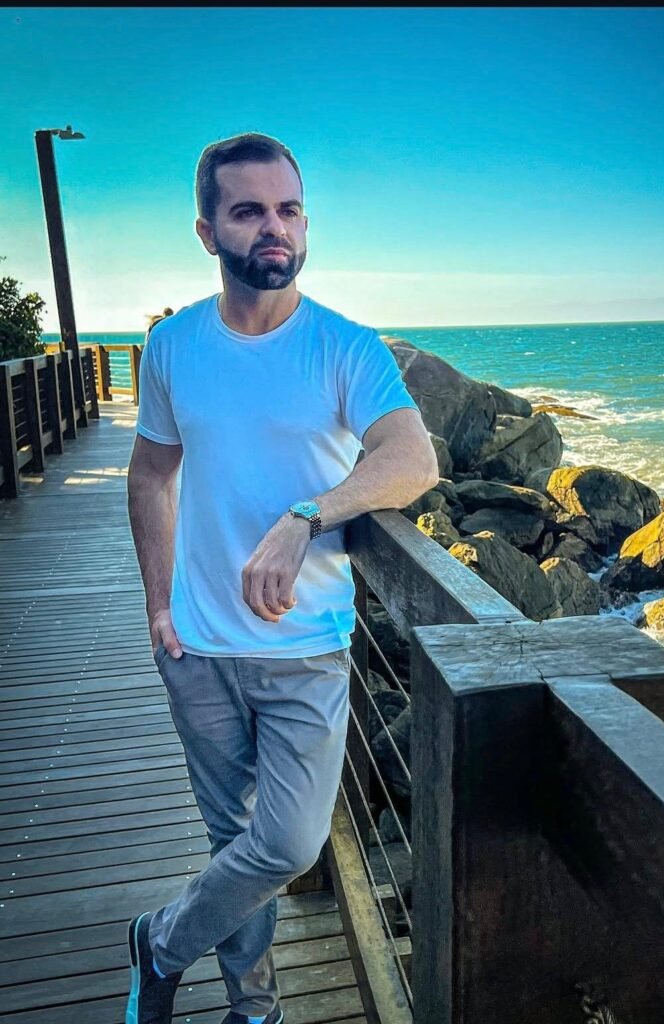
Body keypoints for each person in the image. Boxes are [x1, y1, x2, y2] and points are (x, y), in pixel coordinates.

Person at [125, 133, 438, 1024]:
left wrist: (306, 515)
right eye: (250, 211)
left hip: (304, 646)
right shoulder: (173, 346)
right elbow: (150, 474)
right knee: (233, 840)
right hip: (195, 646)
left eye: (289, 209)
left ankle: (159, 943)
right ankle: (253, 1010)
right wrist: (157, 604)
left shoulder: (345, 346)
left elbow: (411, 459)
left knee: (288, 845)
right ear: (207, 231)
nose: (275, 227)